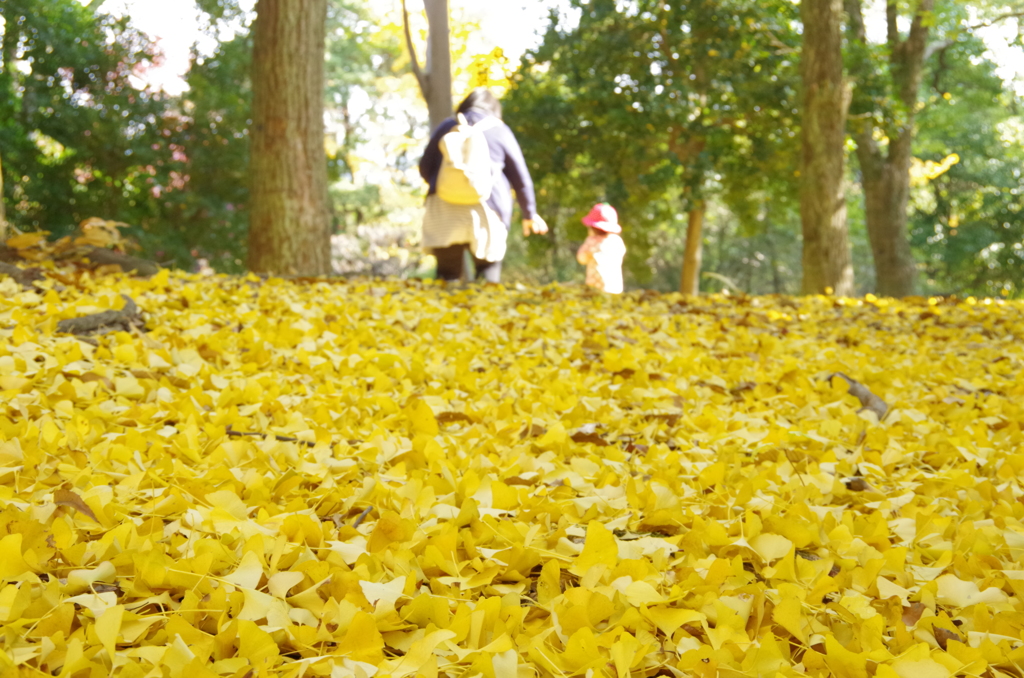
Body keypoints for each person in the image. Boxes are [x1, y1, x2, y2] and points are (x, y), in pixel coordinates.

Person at [419, 88, 547, 283]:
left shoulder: (447, 126)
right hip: (488, 209)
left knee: (447, 277)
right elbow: (521, 178)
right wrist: (529, 213)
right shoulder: (500, 130)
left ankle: (447, 309)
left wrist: (450, 186)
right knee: (487, 277)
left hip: (443, 209)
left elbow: (424, 168)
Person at [576, 203, 626, 294]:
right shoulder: (616, 240)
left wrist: (588, 254)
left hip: (594, 288)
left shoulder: (590, 242)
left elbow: (581, 258)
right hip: (614, 288)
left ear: (592, 228)